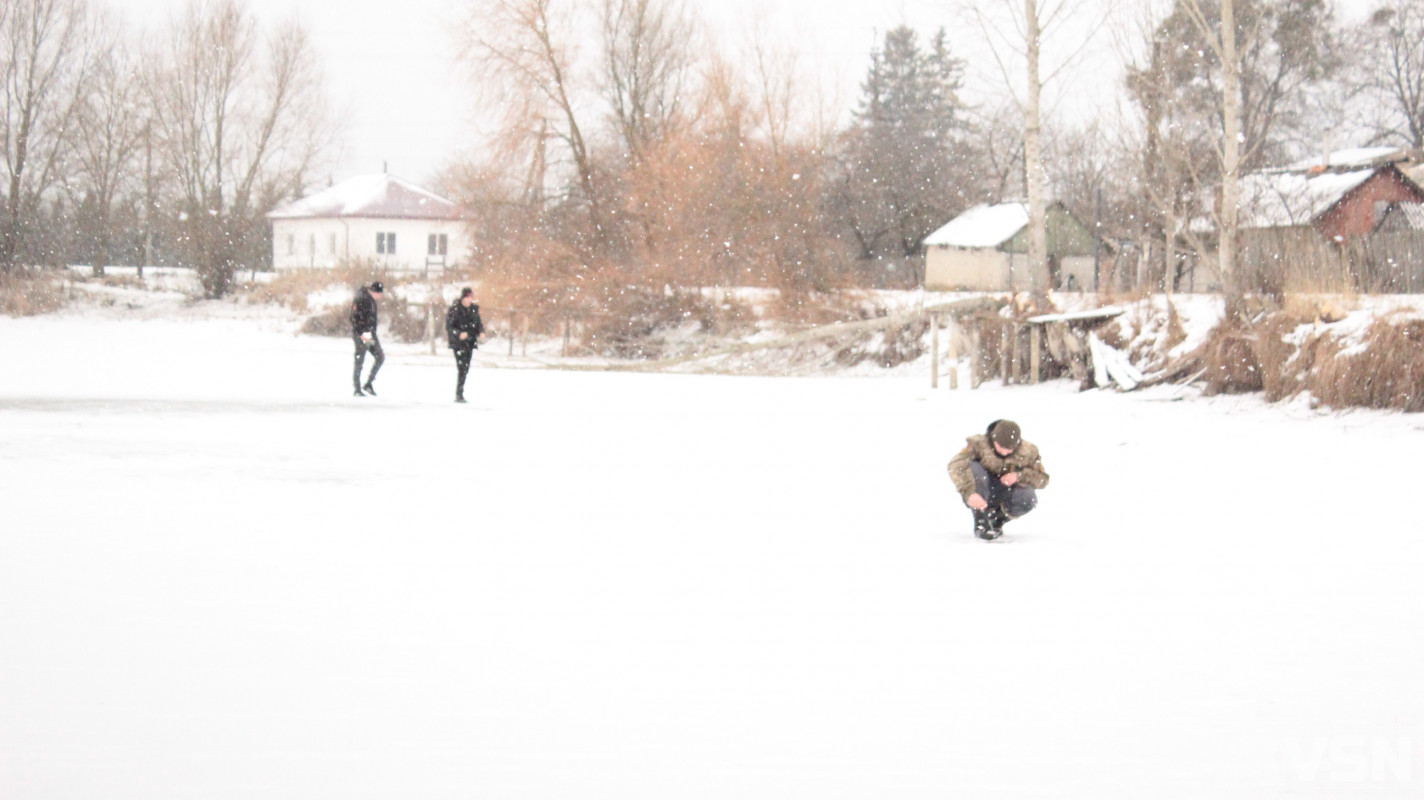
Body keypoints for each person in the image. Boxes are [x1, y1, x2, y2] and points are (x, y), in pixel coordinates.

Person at [947, 419, 1050, 540]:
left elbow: (1043, 479)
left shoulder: (1029, 451)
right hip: (982, 488)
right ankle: (981, 521)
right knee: (974, 468)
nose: (1005, 452)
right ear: (993, 439)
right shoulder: (977, 444)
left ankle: (997, 521)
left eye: (1010, 449)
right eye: (1001, 446)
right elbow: (956, 465)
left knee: (1028, 497)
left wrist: (1019, 476)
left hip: (1007, 492)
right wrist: (969, 493)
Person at [445, 287, 484, 403]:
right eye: (467, 297)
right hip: (458, 343)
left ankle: (460, 392)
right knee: (462, 367)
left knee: (465, 368)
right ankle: (459, 393)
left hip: (470, 342)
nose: (469, 300)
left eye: (471, 297)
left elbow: (478, 323)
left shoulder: (474, 310)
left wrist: (481, 332)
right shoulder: (455, 310)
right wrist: (458, 334)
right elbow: (449, 326)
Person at [351, 281, 384, 396]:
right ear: (374, 292)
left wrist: (371, 332)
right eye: (380, 294)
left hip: (369, 334)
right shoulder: (362, 299)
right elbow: (354, 318)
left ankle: (368, 383)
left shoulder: (371, 300)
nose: (380, 296)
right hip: (362, 334)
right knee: (360, 359)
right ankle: (357, 388)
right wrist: (361, 333)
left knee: (380, 357)